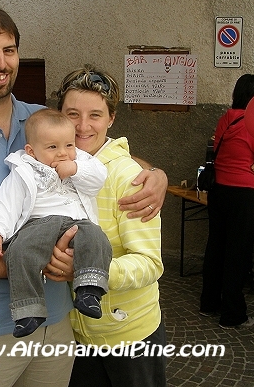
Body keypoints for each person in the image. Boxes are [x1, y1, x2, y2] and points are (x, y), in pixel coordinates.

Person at [0, 4, 167, 386]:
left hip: (58, 321)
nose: (1, 62)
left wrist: (155, 174)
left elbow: (100, 150)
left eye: (9, 50)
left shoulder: (39, 120)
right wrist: (38, 265)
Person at [51, 65, 166, 387]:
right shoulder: (51, 171)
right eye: (72, 113)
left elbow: (149, 263)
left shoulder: (128, 178)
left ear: (112, 118)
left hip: (129, 335)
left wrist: (87, 271)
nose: (83, 126)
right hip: (74, 334)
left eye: (95, 115)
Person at [0, 108, 113, 338]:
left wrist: (75, 169)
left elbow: (98, 178)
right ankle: (28, 309)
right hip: (40, 224)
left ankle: (89, 291)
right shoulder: (24, 170)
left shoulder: (80, 161)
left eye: (68, 145)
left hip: (77, 221)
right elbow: (7, 201)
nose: (63, 153)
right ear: (31, 151)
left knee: (97, 238)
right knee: (20, 251)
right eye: (53, 147)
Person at [199, 74, 254, 329]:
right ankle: (233, 314)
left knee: (216, 246)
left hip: (218, 190)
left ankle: (209, 303)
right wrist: (252, 166)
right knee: (237, 253)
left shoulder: (225, 120)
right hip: (240, 193)